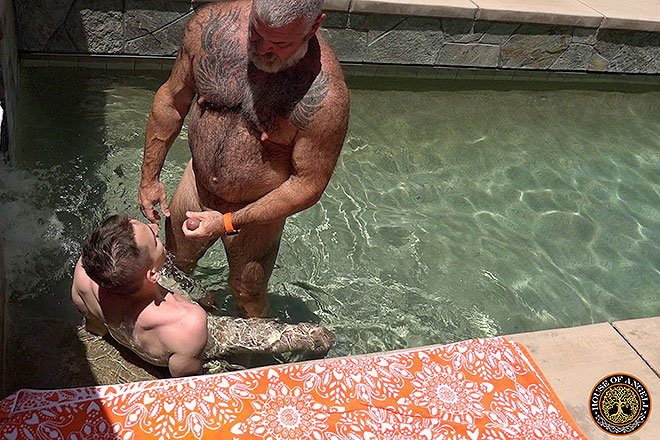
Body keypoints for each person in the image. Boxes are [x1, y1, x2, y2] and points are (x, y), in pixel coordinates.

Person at [138, 0, 350, 318]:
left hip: (257, 208)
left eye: (278, 43)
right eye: (255, 34)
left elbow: (308, 185)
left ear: (314, 27)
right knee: (173, 268)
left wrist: (228, 222)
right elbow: (172, 99)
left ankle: (247, 350)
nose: (261, 49)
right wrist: (150, 177)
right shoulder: (208, 29)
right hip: (196, 185)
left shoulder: (325, 96)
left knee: (248, 292)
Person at [71, 213, 334, 377]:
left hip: (137, 328)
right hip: (191, 338)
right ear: (152, 274)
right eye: (154, 239)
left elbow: (95, 325)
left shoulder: (86, 273)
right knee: (318, 337)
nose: (155, 229)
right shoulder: (188, 323)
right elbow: (185, 379)